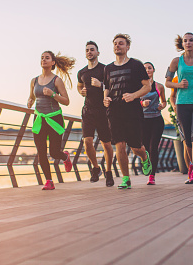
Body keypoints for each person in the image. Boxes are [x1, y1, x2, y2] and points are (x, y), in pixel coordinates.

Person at [103, 33, 152, 189]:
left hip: (132, 111)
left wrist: (134, 95)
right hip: (114, 111)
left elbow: (147, 86)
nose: (118, 45)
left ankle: (145, 157)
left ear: (128, 47)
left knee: (136, 146)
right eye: (115, 43)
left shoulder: (136, 65)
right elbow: (107, 88)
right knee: (120, 145)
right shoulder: (108, 68)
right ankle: (126, 179)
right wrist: (106, 99)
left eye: (121, 43)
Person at [27, 51, 76, 190]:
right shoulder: (34, 81)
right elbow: (32, 97)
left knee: (54, 152)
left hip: (54, 119)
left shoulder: (56, 80)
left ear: (53, 62)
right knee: (41, 152)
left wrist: (53, 94)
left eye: (47, 58)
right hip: (39, 119)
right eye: (42, 58)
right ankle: (49, 181)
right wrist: (30, 101)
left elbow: (66, 101)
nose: (43, 60)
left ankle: (65, 157)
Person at [165, 32, 193, 184]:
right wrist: (178, 85)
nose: (188, 43)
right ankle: (192, 165)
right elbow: (167, 82)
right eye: (185, 41)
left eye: (191, 40)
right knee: (188, 141)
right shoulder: (176, 61)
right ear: (182, 44)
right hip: (182, 103)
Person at [77, 41, 115, 186]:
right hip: (88, 111)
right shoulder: (82, 72)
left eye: (92, 50)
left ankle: (109, 171)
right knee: (87, 142)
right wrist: (81, 92)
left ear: (98, 53)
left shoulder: (105, 69)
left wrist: (101, 85)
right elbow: (79, 86)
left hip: (103, 111)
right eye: (87, 50)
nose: (89, 52)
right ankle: (95, 167)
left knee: (106, 144)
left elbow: (112, 86)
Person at [141, 62, 166, 185]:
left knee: (153, 148)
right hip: (143, 121)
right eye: (144, 68)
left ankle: (152, 176)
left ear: (153, 70)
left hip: (156, 119)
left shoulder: (159, 86)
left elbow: (164, 101)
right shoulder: (138, 86)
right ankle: (147, 166)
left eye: (149, 68)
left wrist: (162, 106)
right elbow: (132, 102)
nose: (147, 70)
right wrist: (141, 104)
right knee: (145, 148)